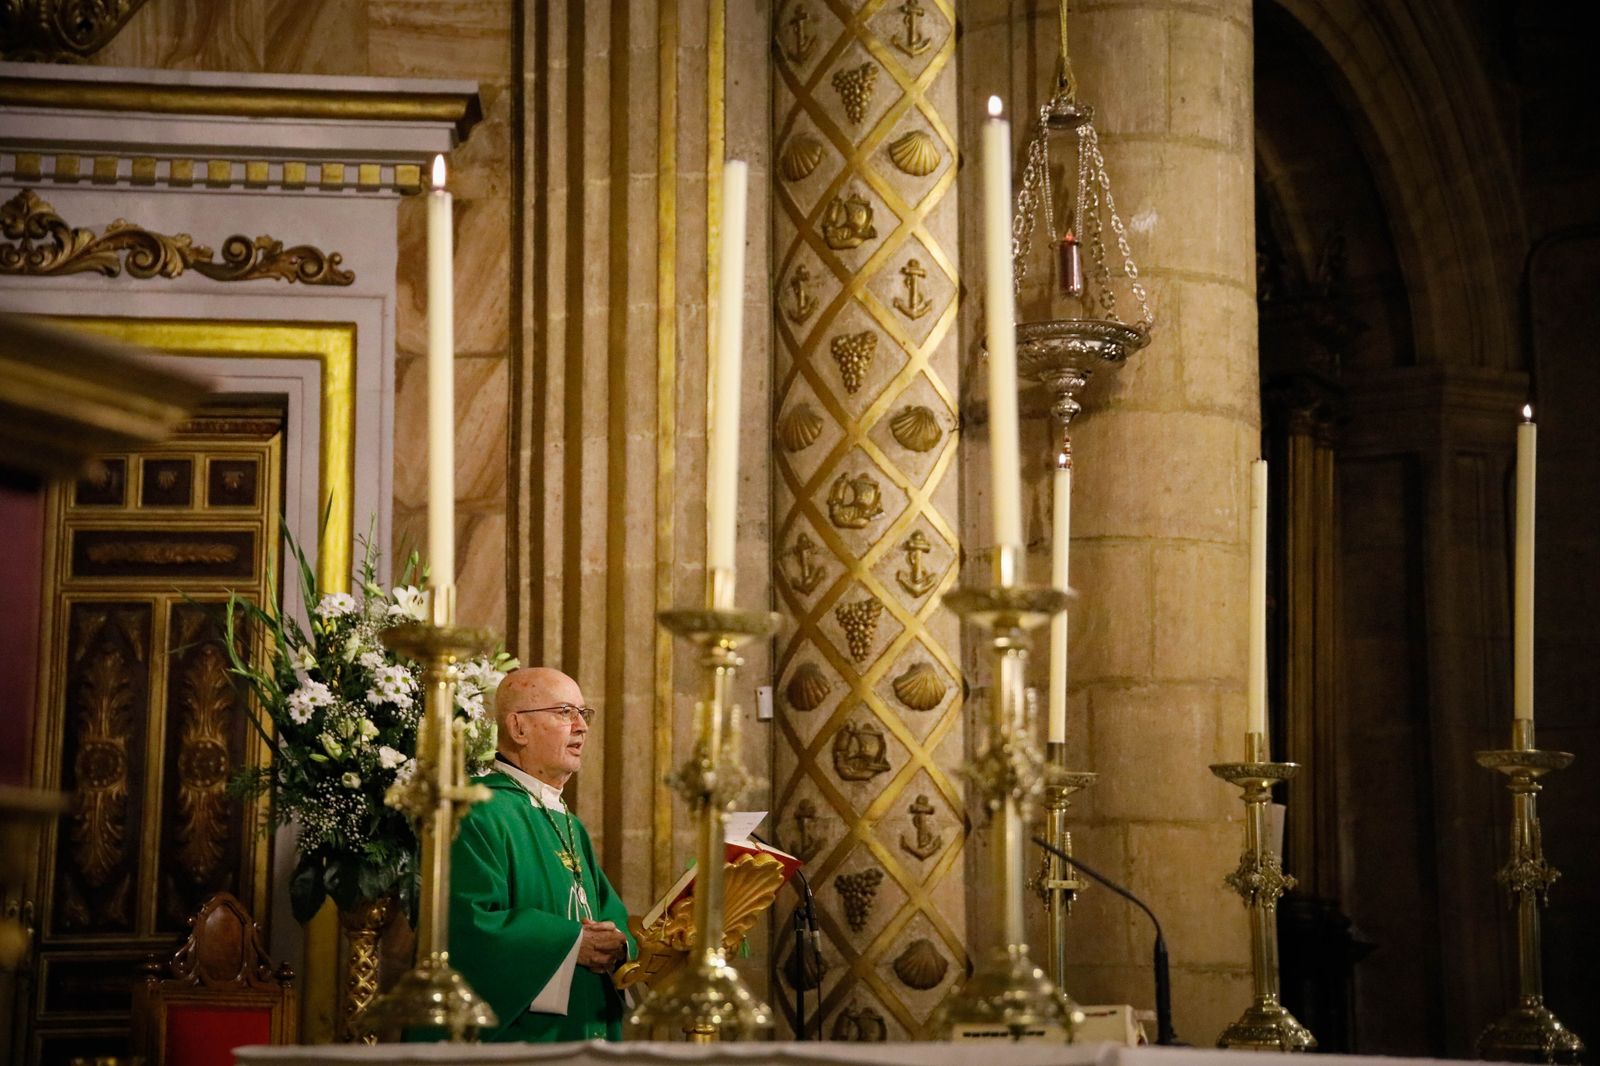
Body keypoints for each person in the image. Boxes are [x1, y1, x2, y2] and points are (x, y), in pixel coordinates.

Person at [448, 667, 635, 1041]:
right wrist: (567, 943)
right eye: (565, 712)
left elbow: (605, 911)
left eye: (585, 713)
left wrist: (622, 945)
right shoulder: (476, 809)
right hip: (520, 1042)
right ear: (519, 728)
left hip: (581, 1032)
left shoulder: (568, 822)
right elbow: (462, 928)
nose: (582, 726)